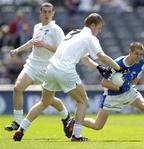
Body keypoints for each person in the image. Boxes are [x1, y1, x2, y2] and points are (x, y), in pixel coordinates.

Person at [13, 13, 121, 142]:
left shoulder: (74, 33)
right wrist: (119, 68)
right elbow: (102, 56)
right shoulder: (90, 38)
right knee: (83, 101)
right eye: (99, 27)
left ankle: (21, 129)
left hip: (51, 68)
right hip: (65, 70)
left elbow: (85, 59)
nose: (99, 30)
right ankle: (77, 135)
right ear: (93, 25)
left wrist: (98, 67)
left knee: (44, 102)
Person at [66, 42, 144, 141]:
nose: (139, 56)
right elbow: (104, 83)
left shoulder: (141, 62)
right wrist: (119, 87)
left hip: (128, 91)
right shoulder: (117, 64)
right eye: (136, 53)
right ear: (130, 52)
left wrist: (128, 82)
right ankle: (75, 121)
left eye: (141, 54)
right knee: (97, 126)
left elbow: (135, 80)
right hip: (112, 95)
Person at [5, 2, 70, 133]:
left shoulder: (56, 29)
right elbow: (33, 41)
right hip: (32, 65)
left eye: (49, 12)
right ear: (40, 13)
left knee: (49, 100)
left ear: (53, 13)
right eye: (44, 12)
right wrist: (17, 50)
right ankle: (17, 122)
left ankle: (65, 116)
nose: (46, 14)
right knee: (17, 88)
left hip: (48, 69)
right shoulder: (37, 27)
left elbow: (63, 50)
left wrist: (45, 45)